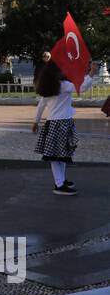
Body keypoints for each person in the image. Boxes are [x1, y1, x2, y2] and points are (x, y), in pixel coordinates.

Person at [33, 59, 91, 195]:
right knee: (58, 155)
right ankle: (59, 184)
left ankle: (61, 181)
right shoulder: (63, 85)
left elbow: (40, 106)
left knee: (59, 155)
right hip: (62, 124)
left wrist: (35, 122)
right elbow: (81, 87)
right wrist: (91, 74)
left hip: (53, 124)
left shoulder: (48, 87)